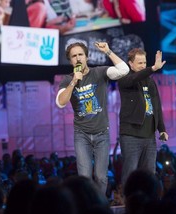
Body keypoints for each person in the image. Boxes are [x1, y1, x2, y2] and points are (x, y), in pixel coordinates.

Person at [55, 41, 129, 194]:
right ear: (70, 61)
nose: (78, 58)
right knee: (84, 177)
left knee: (101, 176)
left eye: (80, 54)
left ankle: (99, 206)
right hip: (81, 134)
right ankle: (86, 206)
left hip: (102, 133)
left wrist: (108, 51)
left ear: (87, 57)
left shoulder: (99, 72)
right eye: (74, 56)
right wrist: (74, 81)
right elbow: (61, 103)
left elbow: (124, 70)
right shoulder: (67, 80)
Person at [117, 48, 168, 187]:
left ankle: (148, 205)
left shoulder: (150, 82)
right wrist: (152, 68)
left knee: (149, 175)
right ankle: (129, 204)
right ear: (130, 64)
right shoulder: (125, 79)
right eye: (139, 63)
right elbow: (134, 78)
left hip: (149, 136)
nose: (142, 66)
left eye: (144, 62)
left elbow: (157, 106)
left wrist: (162, 129)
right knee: (130, 174)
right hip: (131, 135)